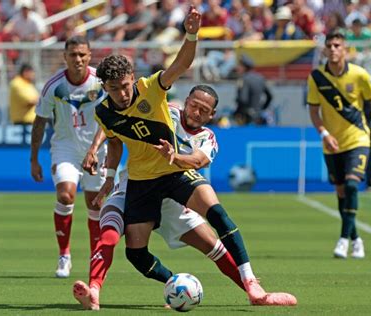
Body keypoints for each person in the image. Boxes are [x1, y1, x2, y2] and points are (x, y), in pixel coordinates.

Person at [88, 5, 296, 308]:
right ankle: (169, 282)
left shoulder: (153, 90)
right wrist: (105, 176)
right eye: (114, 89)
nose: (121, 94)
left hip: (174, 175)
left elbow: (181, 65)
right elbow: (114, 139)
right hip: (141, 182)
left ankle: (254, 288)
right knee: (134, 252)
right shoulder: (110, 112)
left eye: (124, 86)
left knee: (217, 218)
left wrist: (191, 33)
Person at [73, 86, 253, 310]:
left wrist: (174, 156)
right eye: (194, 105)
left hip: (173, 200)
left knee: (214, 248)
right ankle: (94, 291)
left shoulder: (208, 138)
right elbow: (112, 121)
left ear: (211, 115)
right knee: (112, 237)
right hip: (134, 187)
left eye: (203, 110)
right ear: (186, 101)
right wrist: (94, 149)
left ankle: (253, 291)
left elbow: (197, 161)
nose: (196, 112)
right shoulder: (166, 112)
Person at [307, 31, 371, 259]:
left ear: (345, 50)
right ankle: (356, 239)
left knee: (351, 186)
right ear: (324, 50)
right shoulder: (316, 78)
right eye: (329, 45)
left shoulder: (359, 75)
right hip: (332, 143)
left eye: (337, 45)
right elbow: (313, 111)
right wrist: (324, 133)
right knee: (341, 192)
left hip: (358, 138)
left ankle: (342, 239)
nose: (332, 49)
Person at [30, 36, 106, 278]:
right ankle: (64, 255)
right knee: (65, 195)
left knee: (96, 205)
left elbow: (110, 119)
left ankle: (96, 256)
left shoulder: (101, 82)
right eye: (73, 55)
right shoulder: (54, 86)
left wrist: (94, 149)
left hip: (97, 149)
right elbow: (39, 122)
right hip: (65, 148)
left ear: (90, 55)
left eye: (82, 54)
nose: (78, 59)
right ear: (65, 57)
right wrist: (34, 159)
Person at [233, 54, 273, 125]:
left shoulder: (244, 79)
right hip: (258, 115)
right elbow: (270, 96)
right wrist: (262, 108)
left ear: (244, 67)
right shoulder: (260, 78)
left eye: (239, 65)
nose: (237, 68)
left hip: (246, 117)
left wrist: (237, 112)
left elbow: (243, 99)